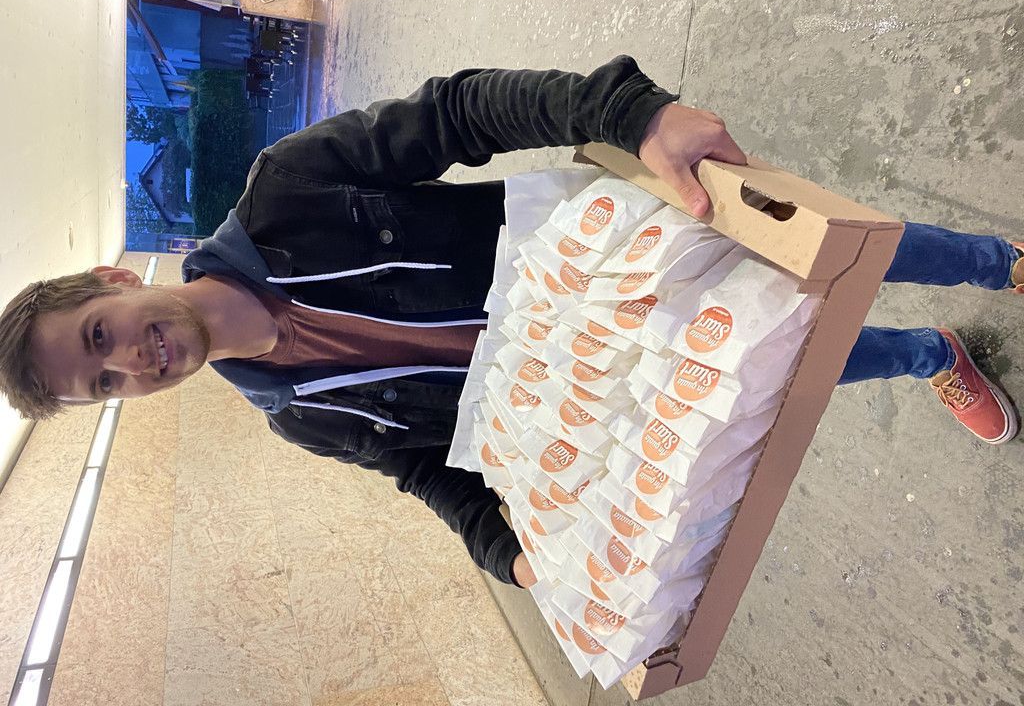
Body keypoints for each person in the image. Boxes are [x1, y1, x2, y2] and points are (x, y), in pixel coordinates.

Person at [0, 56, 1020, 592]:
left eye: (99, 336)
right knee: (769, 364)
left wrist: (627, 114)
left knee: (810, 250)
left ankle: (997, 262)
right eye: (106, 384)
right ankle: (924, 354)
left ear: (111, 279)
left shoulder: (286, 192)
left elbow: (457, 114)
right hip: (615, 378)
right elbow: (425, 470)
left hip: (614, 254)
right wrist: (504, 550)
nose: (132, 362)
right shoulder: (297, 415)